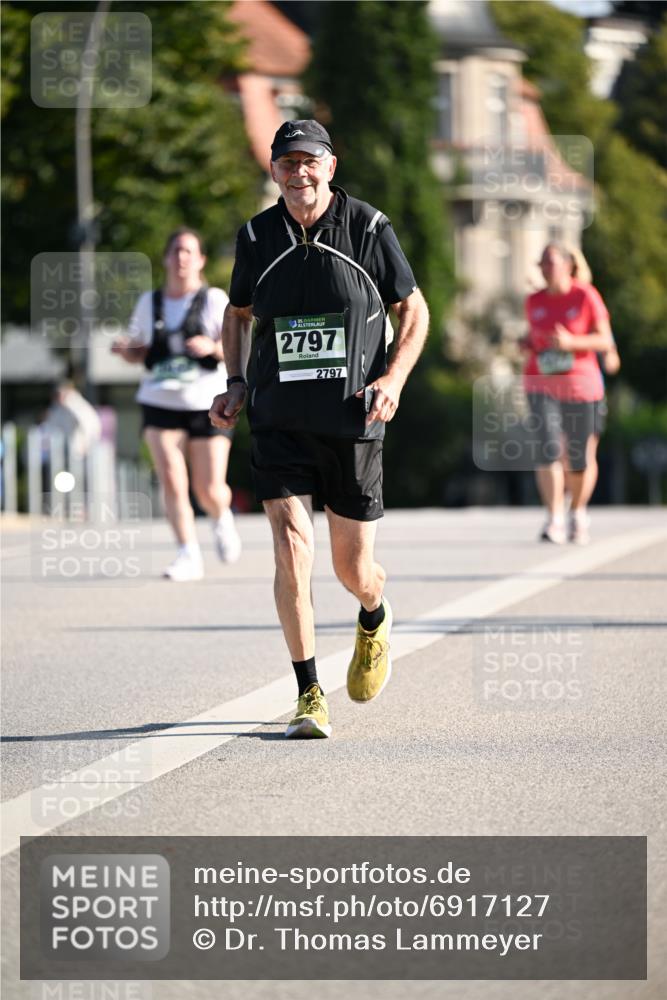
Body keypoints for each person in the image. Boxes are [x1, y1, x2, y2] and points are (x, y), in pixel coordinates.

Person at [209, 120, 429, 739]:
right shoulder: (257, 235)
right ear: (274, 171)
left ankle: (373, 614)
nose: (298, 173)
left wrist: (393, 379)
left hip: (351, 419)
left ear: (330, 167)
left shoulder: (366, 227)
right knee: (289, 548)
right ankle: (309, 693)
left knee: (351, 568)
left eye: (309, 161)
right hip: (278, 420)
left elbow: (412, 307)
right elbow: (238, 312)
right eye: (286, 163)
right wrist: (234, 382)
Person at [112, 228, 241, 580]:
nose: (182, 258)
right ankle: (187, 553)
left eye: (189, 252)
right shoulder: (149, 303)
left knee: (209, 487)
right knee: (171, 478)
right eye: (176, 251)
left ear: (200, 260)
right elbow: (139, 352)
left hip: (206, 402)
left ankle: (220, 516)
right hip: (159, 401)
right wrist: (126, 350)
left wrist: (211, 348)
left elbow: (235, 349)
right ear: (167, 258)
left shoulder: (214, 299)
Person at [523, 243, 614, 545]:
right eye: (542, 263)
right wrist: (527, 343)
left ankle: (577, 511)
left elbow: (604, 340)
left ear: (568, 265)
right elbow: (535, 337)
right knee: (548, 449)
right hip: (541, 384)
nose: (546, 268)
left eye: (551, 262)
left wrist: (572, 342)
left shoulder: (585, 295)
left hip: (580, 385)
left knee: (578, 456)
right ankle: (555, 518)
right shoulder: (533, 301)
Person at [43, 381, 102, 459]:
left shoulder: (78, 405)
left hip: (80, 450)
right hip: (64, 450)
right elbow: (50, 426)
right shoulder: (57, 409)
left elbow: (90, 425)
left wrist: (86, 443)